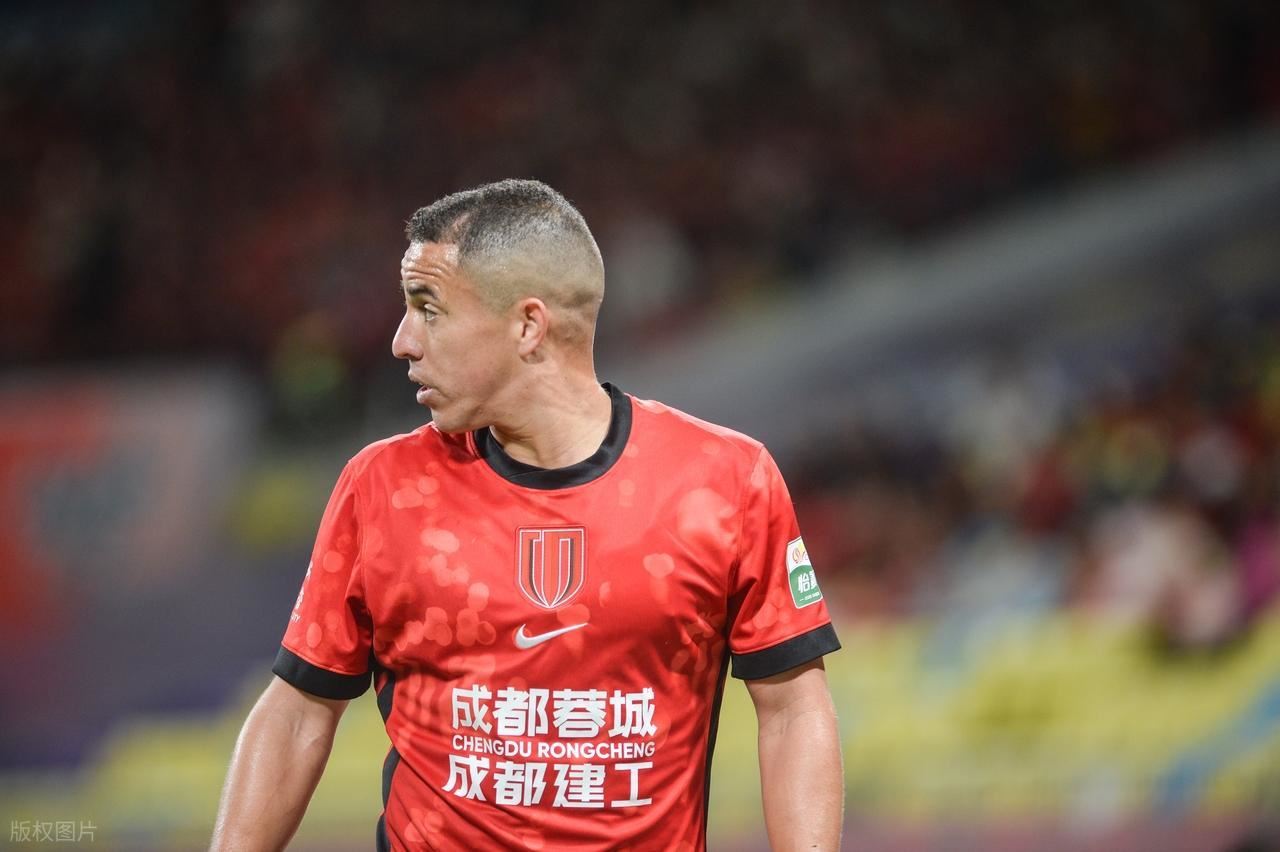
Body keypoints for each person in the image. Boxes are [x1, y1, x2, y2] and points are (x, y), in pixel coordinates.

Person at [211, 179, 843, 851]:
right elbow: (300, 709)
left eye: (429, 309)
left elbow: (791, 708)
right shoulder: (383, 486)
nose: (402, 341)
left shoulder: (723, 480)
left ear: (527, 325)